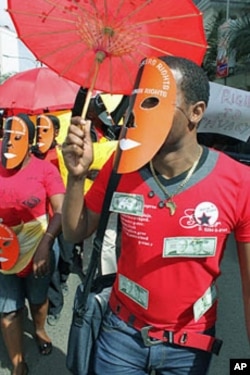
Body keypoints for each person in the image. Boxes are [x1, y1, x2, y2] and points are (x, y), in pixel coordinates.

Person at [61, 56, 250, 375]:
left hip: (191, 346)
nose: (137, 112)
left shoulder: (238, 182)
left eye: (153, 101)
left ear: (196, 112)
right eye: (135, 100)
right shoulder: (121, 166)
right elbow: (75, 232)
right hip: (120, 335)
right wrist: (76, 177)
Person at [0, 114, 65, 375]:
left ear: (30, 142)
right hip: (3, 250)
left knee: (37, 300)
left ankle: (39, 329)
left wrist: (46, 243)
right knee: (8, 311)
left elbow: (60, 210)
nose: (8, 143)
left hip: (39, 247)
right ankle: (18, 363)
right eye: (6, 136)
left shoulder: (45, 169)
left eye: (17, 137)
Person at [32, 114, 75, 326]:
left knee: (64, 259)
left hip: (62, 216)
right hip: (43, 221)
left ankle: (56, 302)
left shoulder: (63, 153)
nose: (40, 134)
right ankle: (52, 301)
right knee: (51, 266)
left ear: (56, 132)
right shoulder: (31, 156)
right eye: (38, 130)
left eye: (45, 130)